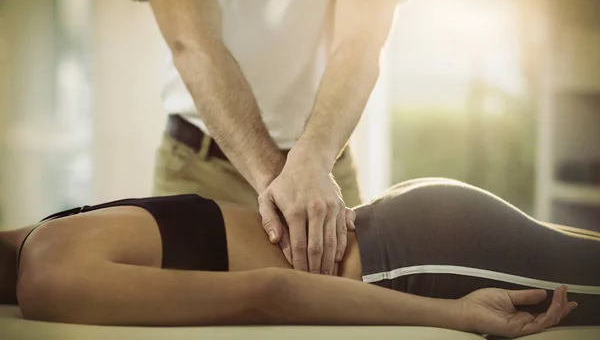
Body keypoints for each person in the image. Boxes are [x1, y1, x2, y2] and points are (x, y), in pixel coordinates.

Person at [123, 0, 413, 274]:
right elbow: (192, 43)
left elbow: (361, 41)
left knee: (348, 316)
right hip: (200, 169)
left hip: (323, 172)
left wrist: (312, 165)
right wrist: (283, 186)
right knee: (187, 316)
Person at [1, 178, 598, 337]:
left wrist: (460, 315)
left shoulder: (51, 274)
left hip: (412, 259)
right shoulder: (43, 233)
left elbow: (269, 293)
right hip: (409, 220)